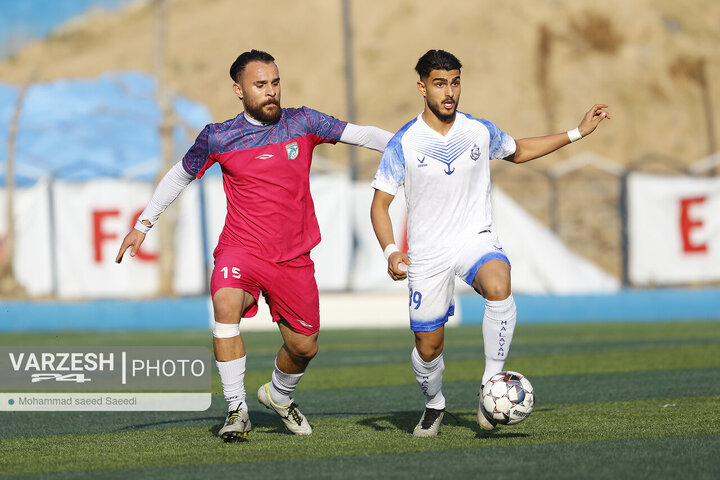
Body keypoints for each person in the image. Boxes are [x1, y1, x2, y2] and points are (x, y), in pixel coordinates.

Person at [116, 49, 392, 441]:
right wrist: (144, 223)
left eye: (275, 83)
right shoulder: (219, 136)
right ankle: (236, 410)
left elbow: (361, 134)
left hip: (293, 258)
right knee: (225, 303)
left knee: (304, 346)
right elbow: (179, 175)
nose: (271, 92)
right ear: (239, 90)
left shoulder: (304, 122)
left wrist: (410, 149)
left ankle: (279, 395)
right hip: (241, 250)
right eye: (260, 85)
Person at [370, 49, 610, 437]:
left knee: (499, 283)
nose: (449, 91)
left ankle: (490, 387)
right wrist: (390, 251)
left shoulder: (478, 130)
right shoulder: (405, 143)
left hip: (473, 237)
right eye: (439, 83)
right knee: (428, 347)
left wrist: (577, 132)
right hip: (428, 253)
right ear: (422, 87)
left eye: (455, 82)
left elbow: (519, 150)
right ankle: (434, 404)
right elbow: (379, 206)